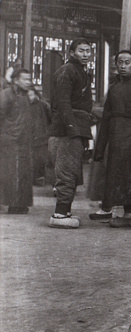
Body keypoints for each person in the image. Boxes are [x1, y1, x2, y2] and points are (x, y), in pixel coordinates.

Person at [93, 50, 131, 230]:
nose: (122, 66)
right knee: (120, 174)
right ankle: (127, 214)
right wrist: (100, 148)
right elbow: (106, 118)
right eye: (119, 62)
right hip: (117, 138)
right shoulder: (113, 89)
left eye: (127, 62)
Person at [47, 38, 94, 228]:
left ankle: (65, 211)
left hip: (75, 126)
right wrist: (72, 128)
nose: (85, 54)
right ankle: (59, 214)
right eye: (81, 51)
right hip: (67, 129)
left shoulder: (80, 72)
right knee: (67, 171)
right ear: (72, 52)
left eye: (88, 51)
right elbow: (63, 102)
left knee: (72, 170)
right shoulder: (67, 71)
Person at [0, 69, 38, 214]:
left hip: (24, 140)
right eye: (25, 79)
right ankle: (13, 204)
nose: (29, 82)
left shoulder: (29, 95)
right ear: (16, 80)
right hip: (10, 140)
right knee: (12, 172)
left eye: (30, 79)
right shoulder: (6, 95)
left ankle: (21, 203)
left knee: (23, 172)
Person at [29, 88, 52, 186]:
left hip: (41, 135)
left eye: (31, 95)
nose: (29, 98)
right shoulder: (24, 105)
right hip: (29, 136)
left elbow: (51, 118)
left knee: (40, 158)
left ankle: (39, 178)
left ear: (35, 94)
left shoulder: (43, 105)